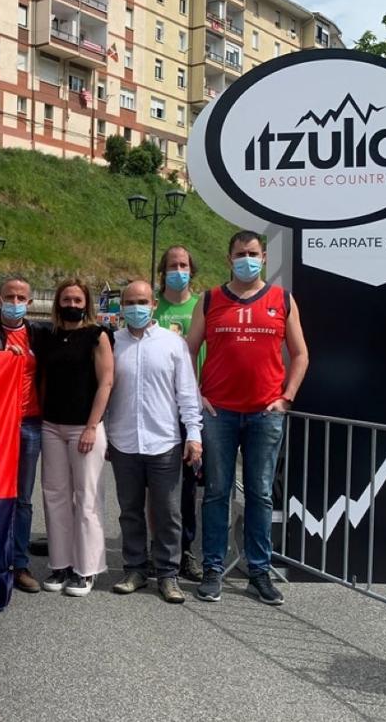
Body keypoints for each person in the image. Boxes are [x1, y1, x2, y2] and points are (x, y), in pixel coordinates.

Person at [187, 230, 309, 605]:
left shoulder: (282, 300)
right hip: (219, 413)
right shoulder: (209, 300)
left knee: (260, 494)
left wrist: (286, 398)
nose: (246, 259)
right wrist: (197, 397)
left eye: (253, 253)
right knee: (216, 494)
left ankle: (258, 571)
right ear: (229, 258)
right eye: (240, 253)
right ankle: (212, 569)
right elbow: (187, 353)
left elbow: (300, 354)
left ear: (264, 258)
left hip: (265, 413)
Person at [106, 281, 203, 604]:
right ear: (121, 306)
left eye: (142, 301)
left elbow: (187, 393)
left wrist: (194, 434)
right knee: (130, 511)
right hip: (123, 441)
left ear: (153, 304)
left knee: (168, 512)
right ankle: (134, 568)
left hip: (165, 442)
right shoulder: (111, 343)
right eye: (130, 302)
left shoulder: (172, 343)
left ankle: (168, 574)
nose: (136, 307)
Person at [36, 280, 114, 597]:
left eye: (77, 299)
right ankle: (61, 564)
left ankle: (86, 569)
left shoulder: (98, 336)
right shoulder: (49, 336)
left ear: (86, 303)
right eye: (66, 298)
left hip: (84, 427)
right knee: (54, 497)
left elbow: (106, 382)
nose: (72, 303)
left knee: (87, 499)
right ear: (58, 303)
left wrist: (92, 426)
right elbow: (41, 378)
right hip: (52, 425)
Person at [0, 276, 50, 593]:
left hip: (30, 424)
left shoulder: (40, 333)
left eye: (20, 297)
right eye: (9, 297)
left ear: (30, 303)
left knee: (23, 499)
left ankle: (20, 564)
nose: (14, 302)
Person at [153, 245, 205, 582]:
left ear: (192, 270)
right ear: (163, 271)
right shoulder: (152, 308)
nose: (178, 269)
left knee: (188, 488)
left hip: (193, 408)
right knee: (154, 487)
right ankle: (154, 549)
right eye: (172, 265)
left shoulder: (203, 306)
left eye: (183, 264)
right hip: (159, 409)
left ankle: (185, 552)